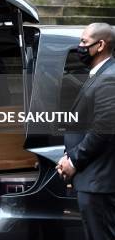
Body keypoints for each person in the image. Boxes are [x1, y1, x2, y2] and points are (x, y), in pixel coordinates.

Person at [58, 23, 115, 240]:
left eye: (84, 42)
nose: (79, 47)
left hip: (99, 183)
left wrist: (73, 161)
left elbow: (103, 130)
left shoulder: (109, 77)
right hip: (94, 180)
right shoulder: (99, 74)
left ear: (100, 45)